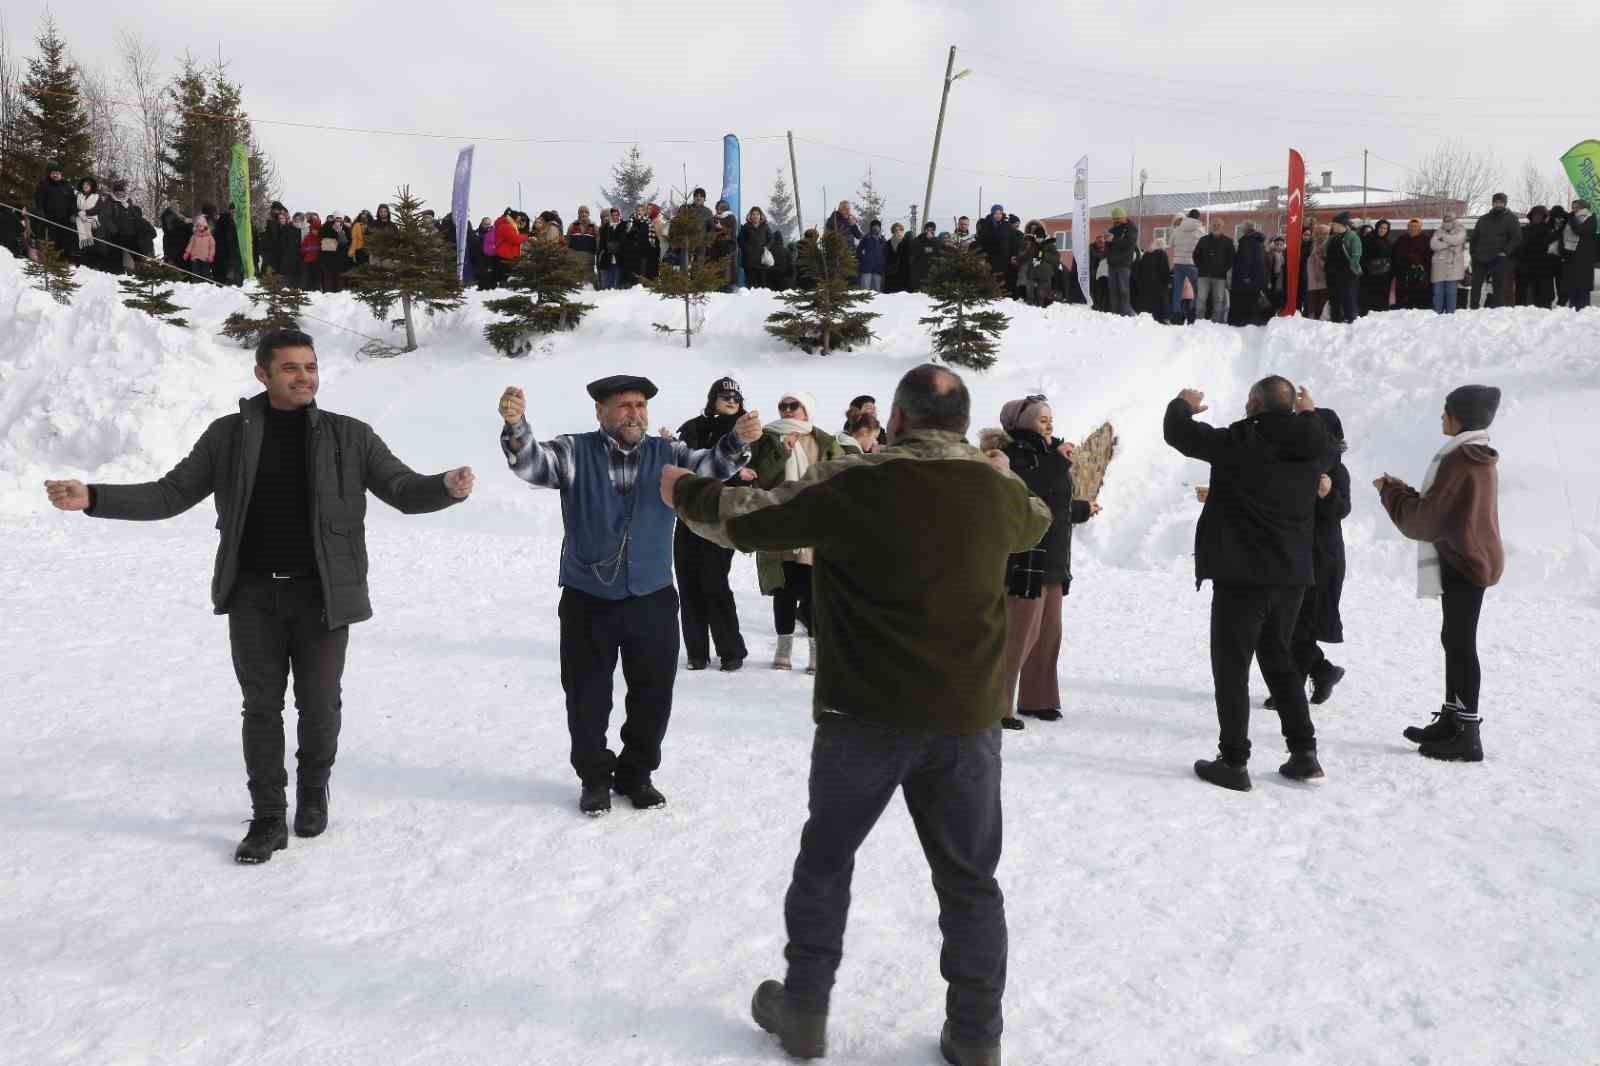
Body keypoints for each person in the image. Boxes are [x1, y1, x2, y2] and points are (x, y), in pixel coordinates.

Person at [659, 364, 1051, 1066]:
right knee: (970, 881)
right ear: (964, 423)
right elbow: (1038, 519)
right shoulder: (996, 491)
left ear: (896, 419)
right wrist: (1000, 469)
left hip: (864, 712)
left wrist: (681, 488)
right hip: (967, 719)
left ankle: (805, 1013)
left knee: (827, 861)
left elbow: (750, 520)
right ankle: (976, 1034)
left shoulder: (855, 481)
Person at [42, 329, 474, 863]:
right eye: (290, 368)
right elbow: (170, 494)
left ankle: (313, 790)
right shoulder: (229, 436)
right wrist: (95, 497)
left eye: (310, 367)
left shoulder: (350, 436)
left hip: (323, 597)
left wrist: (444, 487)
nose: (304, 377)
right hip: (253, 596)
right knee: (261, 708)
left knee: (319, 705)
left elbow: (403, 490)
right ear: (262, 374)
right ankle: (268, 816)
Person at [497, 375, 761, 816]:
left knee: (653, 695)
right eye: (624, 405)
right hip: (587, 599)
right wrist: (516, 425)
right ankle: (594, 778)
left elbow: (710, 467)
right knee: (586, 696)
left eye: (640, 405)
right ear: (600, 411)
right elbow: (533, 463)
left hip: (651, 596)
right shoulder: (574, 450)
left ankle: (637, 774)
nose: (634, 413)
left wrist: (737, 439)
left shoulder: (669, 453)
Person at [1162, 377, 1330, 791]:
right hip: (1290, 576)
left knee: (1232, 667)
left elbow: (1179, 434)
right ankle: (1304, 753)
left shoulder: (1240, 441)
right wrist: (1309, 412)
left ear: (1254, 402)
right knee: (1280, 660)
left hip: (1242, 576)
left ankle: (1234, 761)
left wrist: (1182, 404)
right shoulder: (1315, 443)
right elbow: (1319, 434)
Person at [1375, 386, 1505, 761]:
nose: (1442, 416)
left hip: (1466, 561)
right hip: (1470, 556)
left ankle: (1467, 733)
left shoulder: (1460, 459)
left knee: (1461, 643)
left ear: (1460, 417)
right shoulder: (1473, 455)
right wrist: (1401, 490)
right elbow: (1441, 509)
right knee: (1454, 639)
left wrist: (1391, 493)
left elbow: (1425, 521)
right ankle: (1452, 719)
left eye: (1446, 410)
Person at [981, 396, 1101, 731]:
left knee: (1048, 635)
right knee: (1019, 634)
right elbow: (1029, 490)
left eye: (1050, 418)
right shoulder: (1013, 455)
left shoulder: (1050, 454)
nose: (1049, 424)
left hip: (1053, 560)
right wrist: (1058, 461)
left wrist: (1081, 509)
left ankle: (1039, 698)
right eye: (1041, 419)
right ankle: (996, 705)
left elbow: (1052, 504)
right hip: (1026, 557)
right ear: (1021, 423)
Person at [749, 392, 843, 673]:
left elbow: (840, 478)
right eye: (783, 406)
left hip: (814, 526)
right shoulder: (767, 439)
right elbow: (762, 478)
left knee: (815, 591)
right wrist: (783, 451)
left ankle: (816, 652)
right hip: (780, 524)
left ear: (807, 410)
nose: (787, 410)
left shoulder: (825, 441)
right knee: (784, 589)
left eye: (794, 406)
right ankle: (784, 648)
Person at [1265, 403, 1350, 711]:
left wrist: (1328, 494)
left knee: (1302, 625)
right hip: (1292, 556)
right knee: (1289, 624)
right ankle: (1322, 670)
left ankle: (1292, 691)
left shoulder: (1336, 471)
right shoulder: (1295, 466)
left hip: (1321, 559)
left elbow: (1342, 510)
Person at [674, 377, 757, 672]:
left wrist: (741, 473)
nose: (731, 401)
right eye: (725, 396)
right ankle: (697, 652)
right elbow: (682, 465)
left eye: (736, 397)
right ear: (713, 399)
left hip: (721, 517)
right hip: (687, 515)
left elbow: (757, 469)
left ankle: (731, 651)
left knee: (714, 581)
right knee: (687, 581)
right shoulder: (692, 427)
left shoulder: (746, 431)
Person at [1469, 193, 1521, 309]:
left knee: (1499, 287)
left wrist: (1505, 251)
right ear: (1492, 203)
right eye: (1496, 202)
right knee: (1476, 285)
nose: (1498, 204)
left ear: (1505, 204)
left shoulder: (1511, 219)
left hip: (1499, 258)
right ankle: (1473, 310)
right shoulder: (1483, 219)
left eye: (1501, 202)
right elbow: (1474, 238)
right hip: (1480, 257)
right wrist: (1473, 253)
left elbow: (1516, 238)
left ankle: (1497, 311)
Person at [1194, 219, 1236, 324]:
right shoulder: (1203, 240)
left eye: (1218, 225)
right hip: (1203, 275)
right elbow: (1195, 255)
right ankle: (1199, 322)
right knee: (1201, 299)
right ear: (1211, 226)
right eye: (1214, 225)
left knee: (1219, 300)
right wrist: (1201, 267)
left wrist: (1224, 269)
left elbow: (1231, 258)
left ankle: (1216, 323)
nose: (1216, 226)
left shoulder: (1228, 241)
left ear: (1222, 227)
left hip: (1220, 277)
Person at [1558, 199, 1597, 310]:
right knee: (1572, 288)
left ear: (1583, 207)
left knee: (1582, 289)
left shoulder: (1590, 218)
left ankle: (1583, 312)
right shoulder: (1571, 218)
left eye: (1576, 207)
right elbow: (1564, 235)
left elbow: (1580, 230)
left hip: (1583, 258)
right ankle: (1573, 311)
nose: (1574, 209)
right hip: (1571, 257)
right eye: (1573, 207)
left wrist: (1572, 219)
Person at [31, 164, 77, 256]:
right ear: (50, 174)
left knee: (64, 240)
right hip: (48, 219)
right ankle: (46, 257)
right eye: (53, 173)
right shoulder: (44, 184)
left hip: (64, 220)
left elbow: (73, 202)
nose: (55, 175)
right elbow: (38, 199)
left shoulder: (67, 186)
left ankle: (63, 257)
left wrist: (73, 214)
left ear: (61, 174)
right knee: (50, 240)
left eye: (57, 173)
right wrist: (40, 211)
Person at [1168, 210, 1205, 324]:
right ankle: (1192, 315)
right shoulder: (1200, 230)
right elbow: (1205, 246)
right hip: (1192, 264)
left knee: (1177, 292)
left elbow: (1171, 243)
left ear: (1188, 216)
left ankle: (1176, 317)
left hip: (1178, 263)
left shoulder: (1178, 229)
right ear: (1198, 218)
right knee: (1197, 291)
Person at [1515, 206, 1556, 308]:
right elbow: (1519, 247)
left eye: (1540, 215)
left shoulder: (1549, 231)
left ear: (1544, 217)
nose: (1537, 217)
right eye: (1535, 215)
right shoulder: (1524, 230)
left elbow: (1552, 249)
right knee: (1524, 295)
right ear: (1531, 216)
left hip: (1543, 267)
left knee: (1542, 295)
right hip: (1525, 266)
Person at [1229, 221, 1268, 326]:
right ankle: (1254, 321)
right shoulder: (1259, 241)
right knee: (1253, 300)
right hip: (1257, 277)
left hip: (1247, 278)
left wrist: (1245, 275)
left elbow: (1245, 259)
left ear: (1246, 230)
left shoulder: (1247, 241)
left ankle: (1243, 321)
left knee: (1245, 300)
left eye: (1241, 229)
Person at [1325, 213, 1362, 323]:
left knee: (1348, 297)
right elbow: (1326, 252)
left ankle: (1350, 318)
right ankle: (1335, 318)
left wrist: (1351, 268)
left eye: (1334, 224)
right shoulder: (1332, 237)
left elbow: (1356, 255)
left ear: (1342, 225)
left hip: (1347, 273)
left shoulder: (1353, 237)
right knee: (1334, 297)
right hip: (1332, 273)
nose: (1332, 226)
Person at [1391, 219, 1434, 310]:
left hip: (1421, 274)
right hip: (1403, 274)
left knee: (1420, 299)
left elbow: (1430, 256)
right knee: (1403, 300)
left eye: (1415, 226)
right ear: (1407, 228)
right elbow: (1394, 254)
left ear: (1420, 228)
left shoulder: (1426, 239)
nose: (1413, 228)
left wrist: (1418, 260)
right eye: (1411, 226)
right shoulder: (1401, 239)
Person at [1430, 212, 1468, 314]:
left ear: (1454, 220)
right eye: (1445, 219)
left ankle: (1450, 316)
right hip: (1438, 267)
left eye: (1449, 219)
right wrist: (1449, 244)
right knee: (1437, 293)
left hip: (1453, 267)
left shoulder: (1461, 230)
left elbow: (1457, 240)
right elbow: (1433, 245)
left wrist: (1443, 238)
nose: (1447, 221)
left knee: (1451, 294)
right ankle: (1436, 315)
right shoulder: (1438, 231)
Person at [1105, 207, 1138, 315]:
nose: (1116, 221)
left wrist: (1113, 240)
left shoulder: (1131, 229)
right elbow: (1108, 247)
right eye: (1114, 219)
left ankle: (1126, 313)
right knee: (1113, 290)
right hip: (1112, 264)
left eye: (1118, 218)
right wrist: (1107, 241)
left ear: (1124, 217)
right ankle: (1115, 313)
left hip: (1124, 264)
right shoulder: (1112, 230)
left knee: (1123, 290)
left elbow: (1128, 243)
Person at [1360, 219, 1394, 314]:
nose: (1383, 230)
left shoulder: (1387, 240)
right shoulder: (1369, 239)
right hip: (1371, 275)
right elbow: (1363, 256)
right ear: (1377, 228)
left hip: (1384, 275)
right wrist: (1367, 268)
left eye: (1385, 228)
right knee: (1371, 298)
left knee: (1382, 298)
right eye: (1381, 228)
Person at [1135, 236, 1172, 320]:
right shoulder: (1162, 254)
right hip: (1159, 284)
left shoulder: (1146, 254)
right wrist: (1168, 281)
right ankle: (1162, 318)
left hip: (1146, 284)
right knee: (1160, 301)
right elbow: (1165, 269)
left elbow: (1140, 269)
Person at [740, 207, 772, 289]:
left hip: (762, 260)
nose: (755, 216)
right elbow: (741, 241)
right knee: (751, 285)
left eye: (757, 214)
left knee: (762, 286)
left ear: (761, 216)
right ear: (750, 216)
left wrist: (766, 247)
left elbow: (771, 239)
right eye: (753, 214)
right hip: (749, 261)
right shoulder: (746, 227)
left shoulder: (765, 227)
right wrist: (747, 250)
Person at [907, 220, 942, 292]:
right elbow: (915, 250)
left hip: (932, 271)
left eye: (932, 230)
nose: (929, 232)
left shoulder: (936, 241)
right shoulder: (918, 240)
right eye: (928, 230)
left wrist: (931, 240)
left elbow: (939, 251)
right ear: (925, 230)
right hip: (919, 272)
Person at [856, 219, 888, 291]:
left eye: (877, 226)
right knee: (865, 290)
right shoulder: (866, 238)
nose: (876, 228)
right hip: (866, 269)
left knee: (877, 291)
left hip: (878, 269)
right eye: (874, 226)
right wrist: (864, 260)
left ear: (880, 228)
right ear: (871, 227)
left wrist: (883, 263)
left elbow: (886, 253)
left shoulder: (883, 240)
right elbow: (858, 251)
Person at [183, 213, 217, 279]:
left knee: (205, 274)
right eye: (198, 226)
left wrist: (211, 256)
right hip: (195, 258)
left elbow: (212, 247)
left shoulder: (209, 237)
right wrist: (187, 253)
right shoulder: (194, 236)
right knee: (195, 274)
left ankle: (205, 283)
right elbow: (190, 246)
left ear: (205, 226)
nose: (200, 228)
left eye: (201, 226)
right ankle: (196, 283)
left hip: (205, 259)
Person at [73, 178, 99, 261]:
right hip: (78, 219)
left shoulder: (96, 197)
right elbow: (73, 206)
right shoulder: (78, 195)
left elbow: (98, 209)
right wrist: (78, 212)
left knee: (92, 239)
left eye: (88, 185)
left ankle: (89, 259)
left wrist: (85, 212)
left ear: (91, 186)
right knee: (77, 237)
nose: (85, 186)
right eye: (84, 184)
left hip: (92, 221)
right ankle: (79, 258)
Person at [884, 221, 909, 293]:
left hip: (903, 273)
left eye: (900, 230)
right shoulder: (887, 243)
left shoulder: (907, 243)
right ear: (893, 232)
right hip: (890, 273)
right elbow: (885, 257)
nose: (898, 232)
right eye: (896, 230)